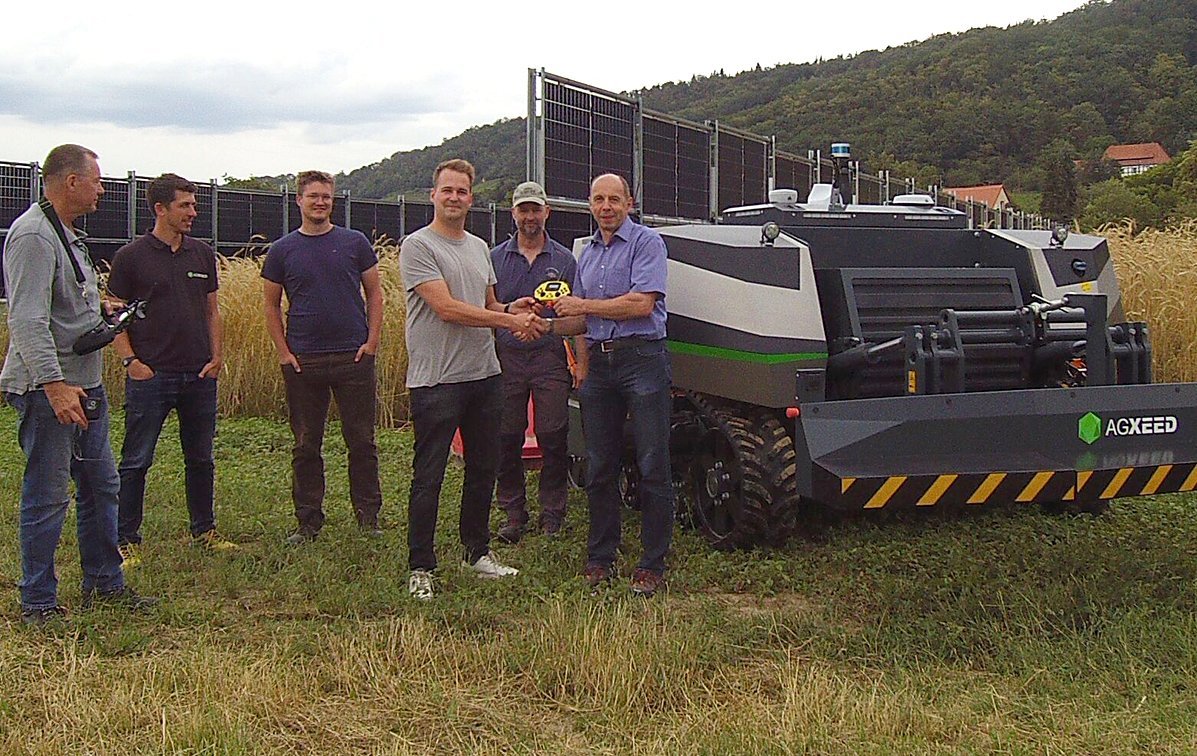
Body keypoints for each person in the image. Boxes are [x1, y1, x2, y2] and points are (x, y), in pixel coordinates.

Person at [1, 144, 157, 625]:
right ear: (70, 182)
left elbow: (59, 306)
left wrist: (99, 311)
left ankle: (105, 583)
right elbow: (26, 319)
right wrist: (52, 384)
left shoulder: (65, 234)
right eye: (96, 180)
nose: (102, 189)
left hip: (84, 383)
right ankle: (38, 602)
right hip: (53, 390)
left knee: (101, 485)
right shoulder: (33, 236)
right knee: (48, 494)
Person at [399, 158, 544, 600]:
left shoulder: (480, 248)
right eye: (448, 190)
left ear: (471, 199)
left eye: (462, 192)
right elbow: (448, 309)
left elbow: (488, 303)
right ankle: (421, 565)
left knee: (485, 468)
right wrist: (505, 324)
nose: (455, 198)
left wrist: (513, 310)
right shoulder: (417, 246)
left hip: (484, 376)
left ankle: (476, 551)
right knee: (430, 475)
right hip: (436, 380)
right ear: (433, 195)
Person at [552, 173, 673, 597]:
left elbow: (642, 304)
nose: (606, 207)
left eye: (614, 199)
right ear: (589, 204)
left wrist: (582, 304)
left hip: (642, 360)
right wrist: (538, 322)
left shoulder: (647, 244)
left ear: (630, 203)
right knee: (599, 464)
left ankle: (652, 564)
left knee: (653, 462)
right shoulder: (587, 254)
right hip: (600, 368)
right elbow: (582, 322)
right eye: (599, 199)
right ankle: (601, 557)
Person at [108, 173, 235, 567]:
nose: (193, 213)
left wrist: (216, 358)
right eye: (185, 205)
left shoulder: (201, 253)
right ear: (160, 208)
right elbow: (115, 315)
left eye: (194, 205)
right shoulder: (131, 257)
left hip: (198, 374)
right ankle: (126, 539)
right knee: (136, 459)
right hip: (152, 375)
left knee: (201, 458)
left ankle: (204, 531)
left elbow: (211, 310)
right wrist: (132, 362)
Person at [262, 170, 384, 544]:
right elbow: (270, 304)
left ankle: (368, 518)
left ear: (334, 201)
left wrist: (373, 342)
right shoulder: (282, 250)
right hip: (304, 361)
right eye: (313, 196)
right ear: (298, 201)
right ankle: (308, 522)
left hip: (354, 357)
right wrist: (284, 353)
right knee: (305, 444)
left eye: (326, 197)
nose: (320, 202)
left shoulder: (355, 243)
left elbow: (376, 295)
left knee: (362, 441)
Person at [489, 181, 585, 543]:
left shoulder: (564, 260)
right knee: (506, 437)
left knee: (553, 436)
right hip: (506, 358)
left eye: (536, 209)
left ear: (547, 212)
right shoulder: (495, 258)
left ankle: (553, 513)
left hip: (548, 359)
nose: (530, 216)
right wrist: (514, 321)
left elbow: (579, 316)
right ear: (513, 213)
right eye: (523, 209)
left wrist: (577, 358)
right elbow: (487, 309)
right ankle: (512, 513)